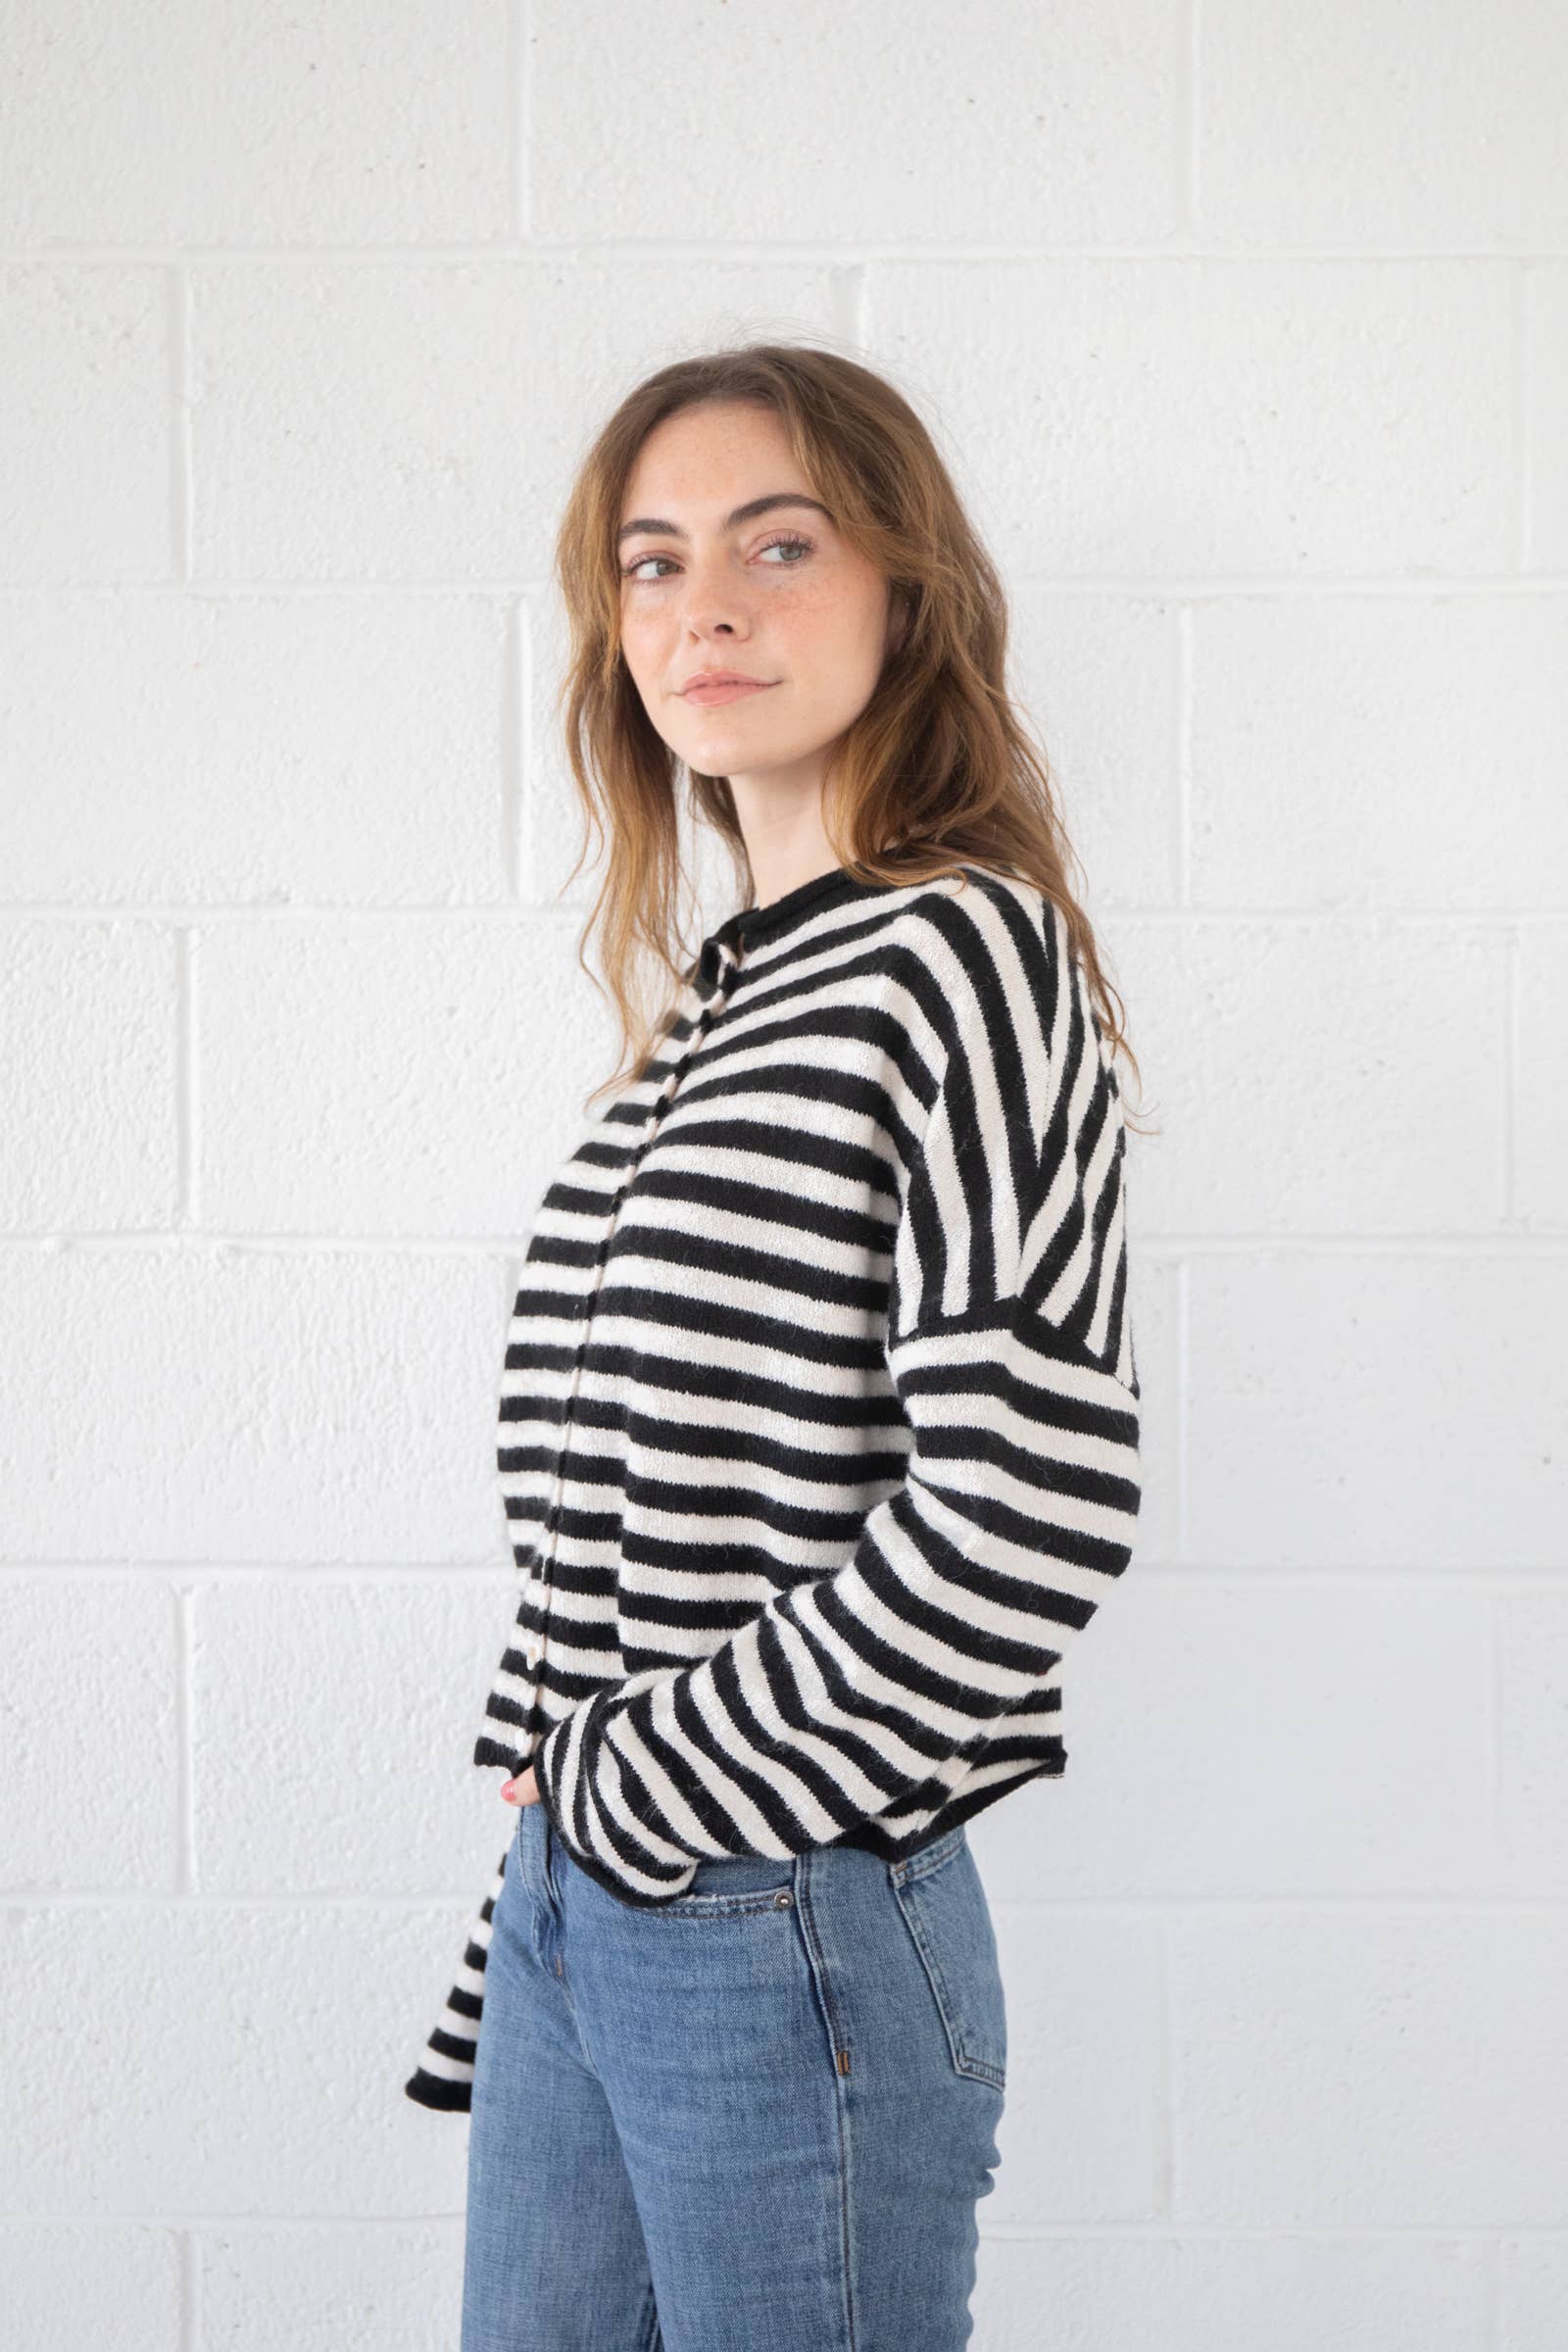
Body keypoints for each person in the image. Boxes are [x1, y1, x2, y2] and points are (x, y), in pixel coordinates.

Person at [406, 341, 1146, 2352]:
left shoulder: (956, 949)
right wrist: (565, 1774)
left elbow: (1028, 1508)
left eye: (775, 542)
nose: (700, 604)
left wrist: (648, 1782)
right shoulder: (712, 1011)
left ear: (903, 592)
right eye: (648, 564)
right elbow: (647, 1485)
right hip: (590, 1898)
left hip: (778, 1909)